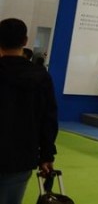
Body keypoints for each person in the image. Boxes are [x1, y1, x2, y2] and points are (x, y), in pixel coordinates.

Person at [0, 18, 58, 204]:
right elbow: (48, 119)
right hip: (21, 157)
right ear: (25, 41)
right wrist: (47, 155)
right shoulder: (41, 76)